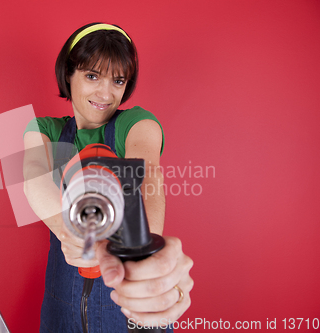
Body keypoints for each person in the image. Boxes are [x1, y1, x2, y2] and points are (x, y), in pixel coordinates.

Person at [23, 22, 193, 332]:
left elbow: (147, 176)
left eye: (118, 80)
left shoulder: (136, 122)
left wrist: (138, 249)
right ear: (68, 74)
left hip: (128, 305)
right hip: (62, 306)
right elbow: (34, 181)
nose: (106, 93)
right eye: (92, 76)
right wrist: (71, 233)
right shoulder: (43, 130)